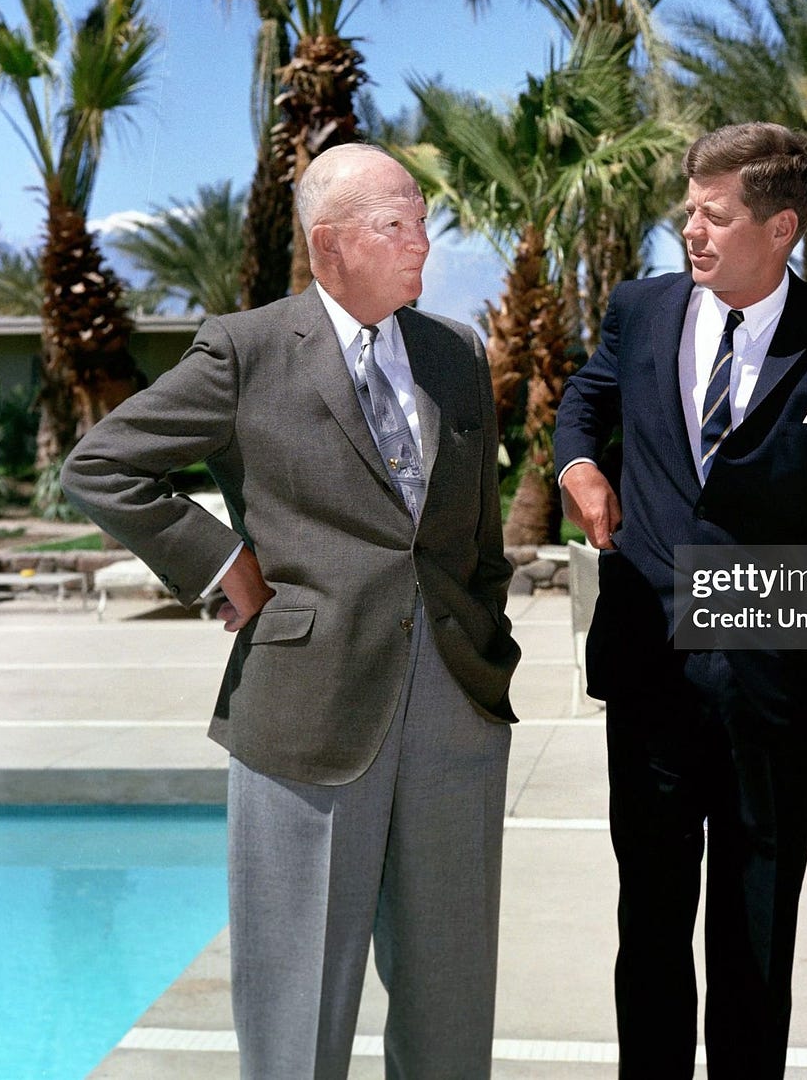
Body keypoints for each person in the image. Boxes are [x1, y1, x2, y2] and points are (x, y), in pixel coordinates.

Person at [61, 146, 519, 1080]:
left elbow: (478, 538)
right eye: (396, 225)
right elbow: (101, 466)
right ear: (329, 244)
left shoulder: (458, 352)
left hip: (455, 708)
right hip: (306, 709)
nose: (422, 242)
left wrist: (488, 642)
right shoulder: (245, 350)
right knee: (295, 1011)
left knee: (452, 1000)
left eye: (422, 221)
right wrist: (223, 562)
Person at [554, 123, 807, 1079]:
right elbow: (585, 397)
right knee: (650, 923)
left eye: (714, 215)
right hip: (647, 667)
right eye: (689, 211)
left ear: (780, 227)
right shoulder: (639, 310)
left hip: (774, 681)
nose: (692, 231)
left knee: (757, 931)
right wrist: (579, 465)